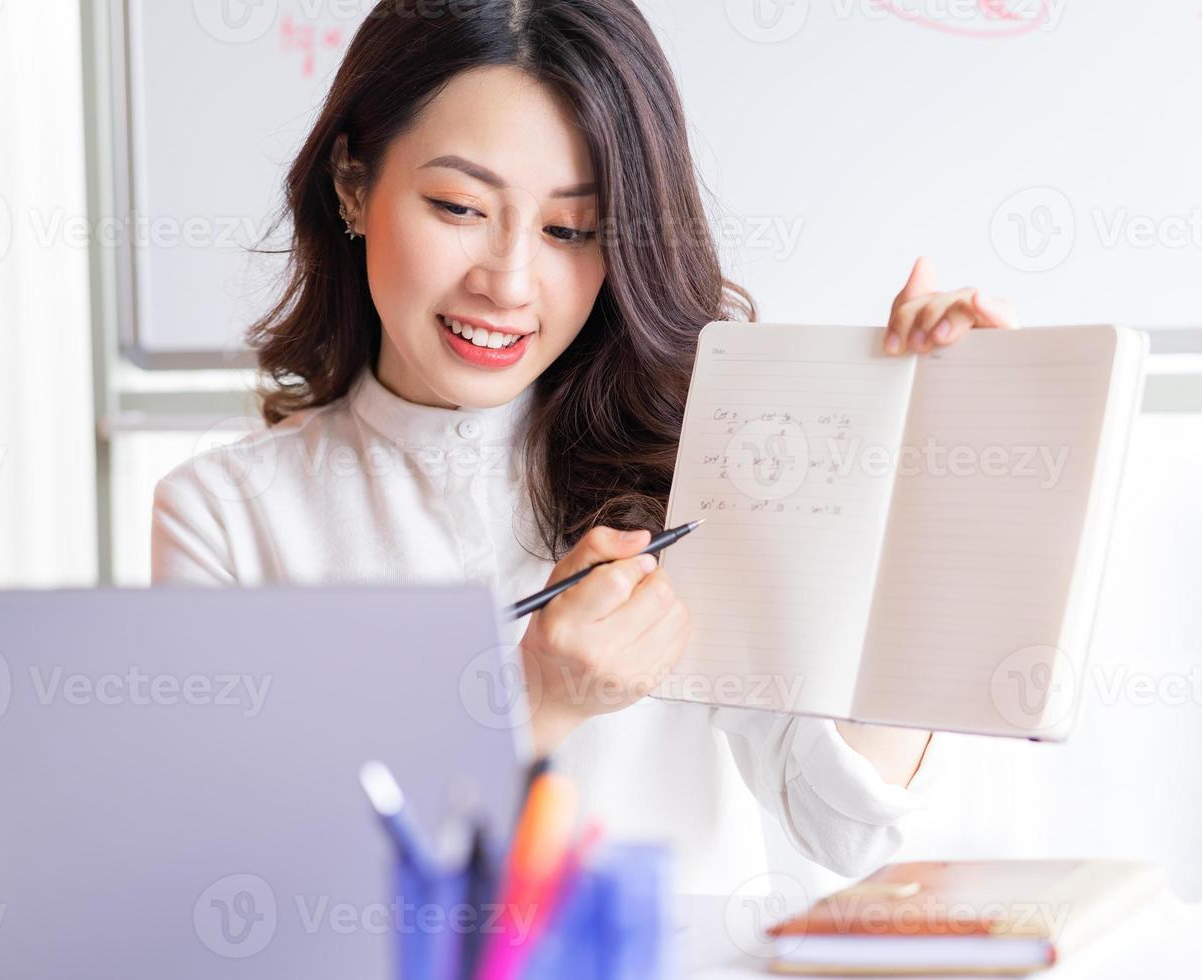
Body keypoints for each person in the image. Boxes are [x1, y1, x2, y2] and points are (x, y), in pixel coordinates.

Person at [151, 0, 1018, 895]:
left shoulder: (703, 473)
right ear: (352, 184)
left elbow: (849, 825)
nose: (509, 281)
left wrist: (925, 502)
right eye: (458, 205)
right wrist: (532, 707)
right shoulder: (223, 516)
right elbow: (240, 892)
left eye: (571, 230)